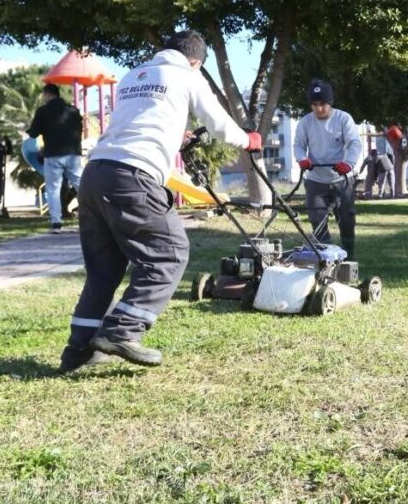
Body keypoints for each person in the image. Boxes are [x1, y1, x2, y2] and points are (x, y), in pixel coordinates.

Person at [60, 30, 261, 372]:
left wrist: (174, 132)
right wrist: (248, 139)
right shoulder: (186, 75)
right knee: (169, 254)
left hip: (94, 174)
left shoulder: (133, 76)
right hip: (132, 175)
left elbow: (140, 119)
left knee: (103, 270)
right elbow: (219, 123)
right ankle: (123, 331)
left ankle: (77, 351)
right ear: (195, 61)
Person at [294, 78, 362, 259]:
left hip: (342, 179)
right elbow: (299, 145)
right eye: (314, 104)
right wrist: (302, 159)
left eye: (322, 104)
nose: (318, 108)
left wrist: (348, 163)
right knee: (317, 221)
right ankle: (328, 259)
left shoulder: (343, 118)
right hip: (316, 179)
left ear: (330, 103)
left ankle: (349, 257)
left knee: (346, 220)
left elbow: (354, 143)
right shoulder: (305, 122)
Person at [27, 83, 84, 233]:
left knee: (53, 189)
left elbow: (33, 133)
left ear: (47, 94)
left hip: (53, 154)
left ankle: (56, 223)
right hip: (73, 153)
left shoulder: (43, 111)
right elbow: (79, 130)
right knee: (81, 185)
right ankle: (92, 217)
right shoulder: (74, 111)